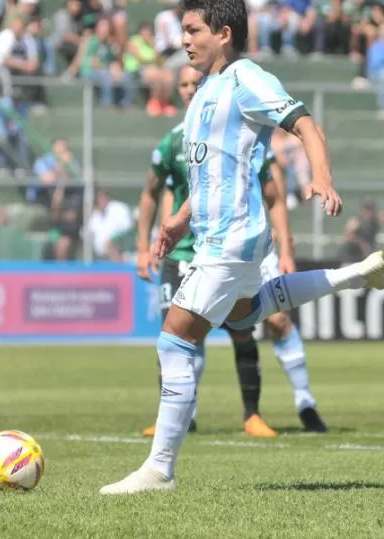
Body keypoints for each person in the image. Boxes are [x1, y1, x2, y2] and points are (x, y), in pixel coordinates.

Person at [101, 0, 384, 495]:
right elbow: (213, 172)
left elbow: (306, 125)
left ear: (224, 33)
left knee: (174, 338)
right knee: (247, 313)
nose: (184, 40)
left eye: (193, 31)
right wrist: (177, 221)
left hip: (231, 241)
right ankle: (351, 276)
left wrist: (322, 176)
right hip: (226, 238)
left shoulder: (244, 79)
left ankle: (159, 469)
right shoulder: (204, 93)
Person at [135, 64, 328, 437]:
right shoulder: (174, 141)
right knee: (179, 331)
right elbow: (156, 192)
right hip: (188, 250)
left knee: (263, 323)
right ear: (178, 92)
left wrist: (285, 246)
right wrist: (147, 245)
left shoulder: (234, 129)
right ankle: (179, 418)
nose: (191, 90)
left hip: (237, 242)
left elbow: (272, 195)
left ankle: (282, 407)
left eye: (197, 83)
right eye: (185, 85)